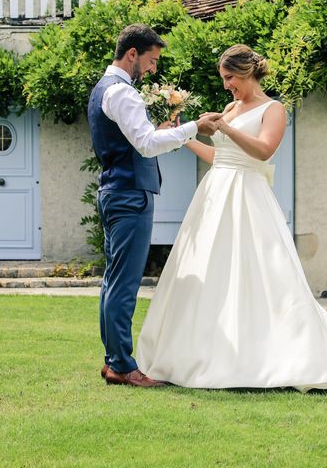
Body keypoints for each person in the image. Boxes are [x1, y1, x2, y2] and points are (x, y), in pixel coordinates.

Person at [135, 45, 327, 398]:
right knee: (213, 272)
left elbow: (264, 150)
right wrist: (185, 138)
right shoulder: (231, 108)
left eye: (229, 78)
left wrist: (225, 129)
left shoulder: (273, 109)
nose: (226, 86)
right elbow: (221, 156)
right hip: (215, 194)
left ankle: (275, 354)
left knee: (260, 274)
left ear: (248, 72)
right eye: (223, 79)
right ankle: (208, 350)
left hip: (247, 197)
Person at [87, 24, 221, 388]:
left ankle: (113, 360)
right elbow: (146, 146)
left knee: (113, 281)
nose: (153, 69)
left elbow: (141, 140)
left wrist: (165, 132)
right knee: (124, 283)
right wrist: (194, 126)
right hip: (130, 195)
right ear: (132, 53)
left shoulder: (106, 89)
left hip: (118, 191)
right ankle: (122, 365)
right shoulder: (123, 94)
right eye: (151, 59)